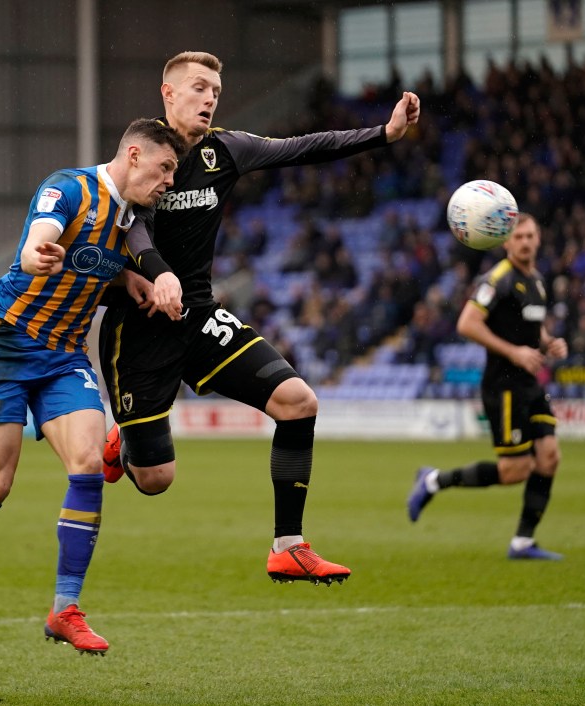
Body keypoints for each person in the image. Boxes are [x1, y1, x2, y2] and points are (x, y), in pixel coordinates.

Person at [98, 51, 421, 585]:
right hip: (140, 329)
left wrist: (383, 134)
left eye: (215, 91)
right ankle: (124, 444)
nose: (209, 98)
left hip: (198, 316)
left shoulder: (226, 149)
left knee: (298, 402)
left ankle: (288, 546)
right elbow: (131, 224)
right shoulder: (142, 151)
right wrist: (157, 272)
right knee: (155, 480)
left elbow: (303, 147)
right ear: (168, 93)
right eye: (198, 87)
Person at [0, 119, 187, 676]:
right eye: (165, 169)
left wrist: (127, 281)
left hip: (64, 356)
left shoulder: (131, 220)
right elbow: (44, 231)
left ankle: (65, 608)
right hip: (9, 345)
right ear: (134, 155)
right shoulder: (69, 187)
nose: (168, 182)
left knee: (87, 465)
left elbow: (93, 263)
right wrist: (39, 251)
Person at [406, 213, 568, 560]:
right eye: (519, 237)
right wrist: (514, 352)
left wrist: (548, 343)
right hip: (503, 385)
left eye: (530, 236)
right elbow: (467, 323)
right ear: (506, 241)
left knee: (550, 457)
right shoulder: (496, 279)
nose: (525, 242)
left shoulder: (538, 281)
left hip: (529, 382)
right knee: (515, 471)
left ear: (538, 239)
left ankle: (522, 542)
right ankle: (433, 480)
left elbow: (531, 326)